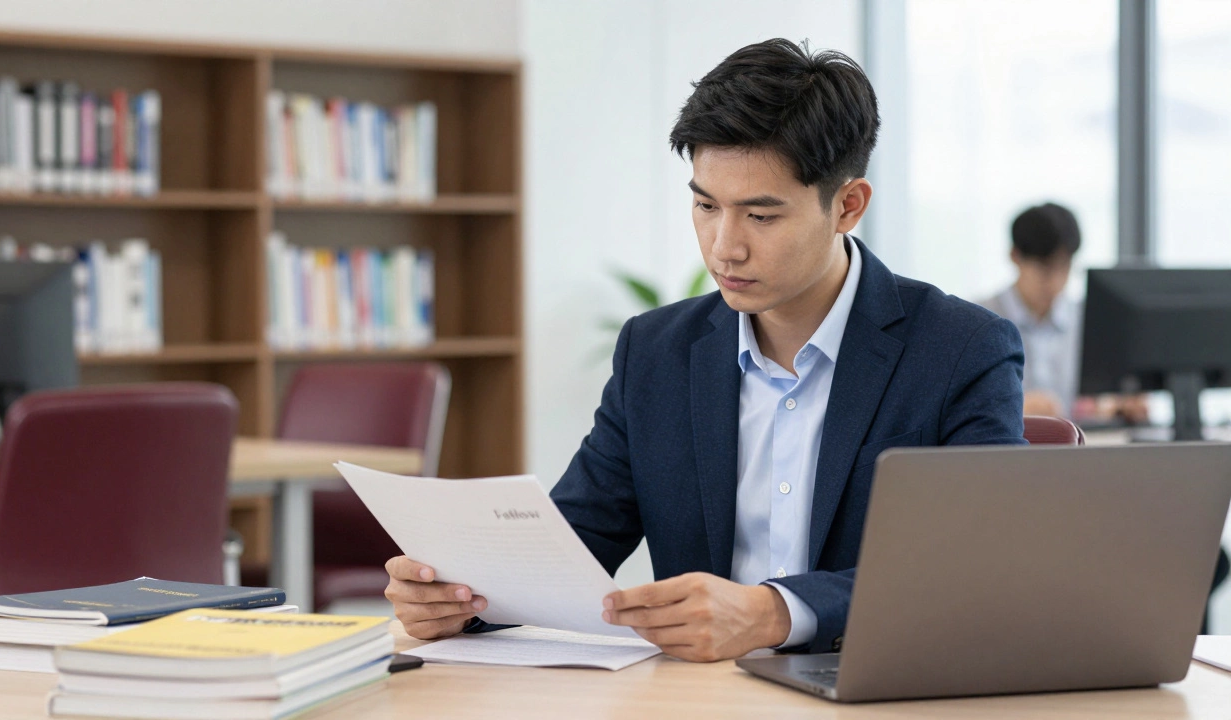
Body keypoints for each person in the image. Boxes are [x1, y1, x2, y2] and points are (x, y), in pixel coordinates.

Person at [385, 39, 1026, 662]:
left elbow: (984, 562)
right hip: (696, 700)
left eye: (761, 215)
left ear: (848, 206)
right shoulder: (657, 351)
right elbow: (572, 547)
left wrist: (775, 613)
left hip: (878, 690)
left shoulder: (961, 350)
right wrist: (459, 598)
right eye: (705, 205)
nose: (725, 246)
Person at [979, 203, 1082, 418]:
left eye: (1065, 267)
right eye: (1045, 269)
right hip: (1007, 447)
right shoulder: (978, 320)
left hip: (1078, 446)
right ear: (1015, 256)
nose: (1056, 282)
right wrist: (1015, 406)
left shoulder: (1085, 320)